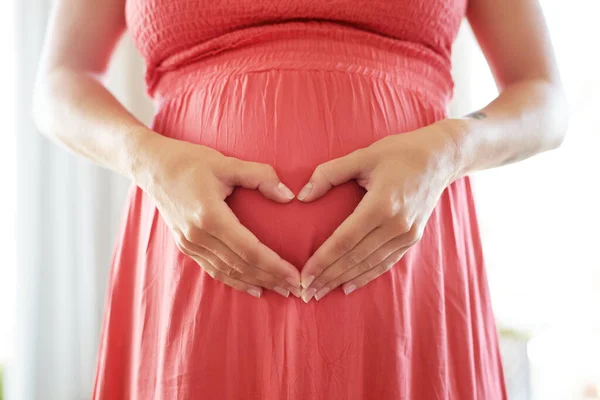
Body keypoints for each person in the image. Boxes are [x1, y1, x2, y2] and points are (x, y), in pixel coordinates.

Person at [32, 0, 568, 398]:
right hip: (196, 263)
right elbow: (60, 82)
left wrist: (452, 149)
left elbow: (542, 97)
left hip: (407, 274)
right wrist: (146, 158)